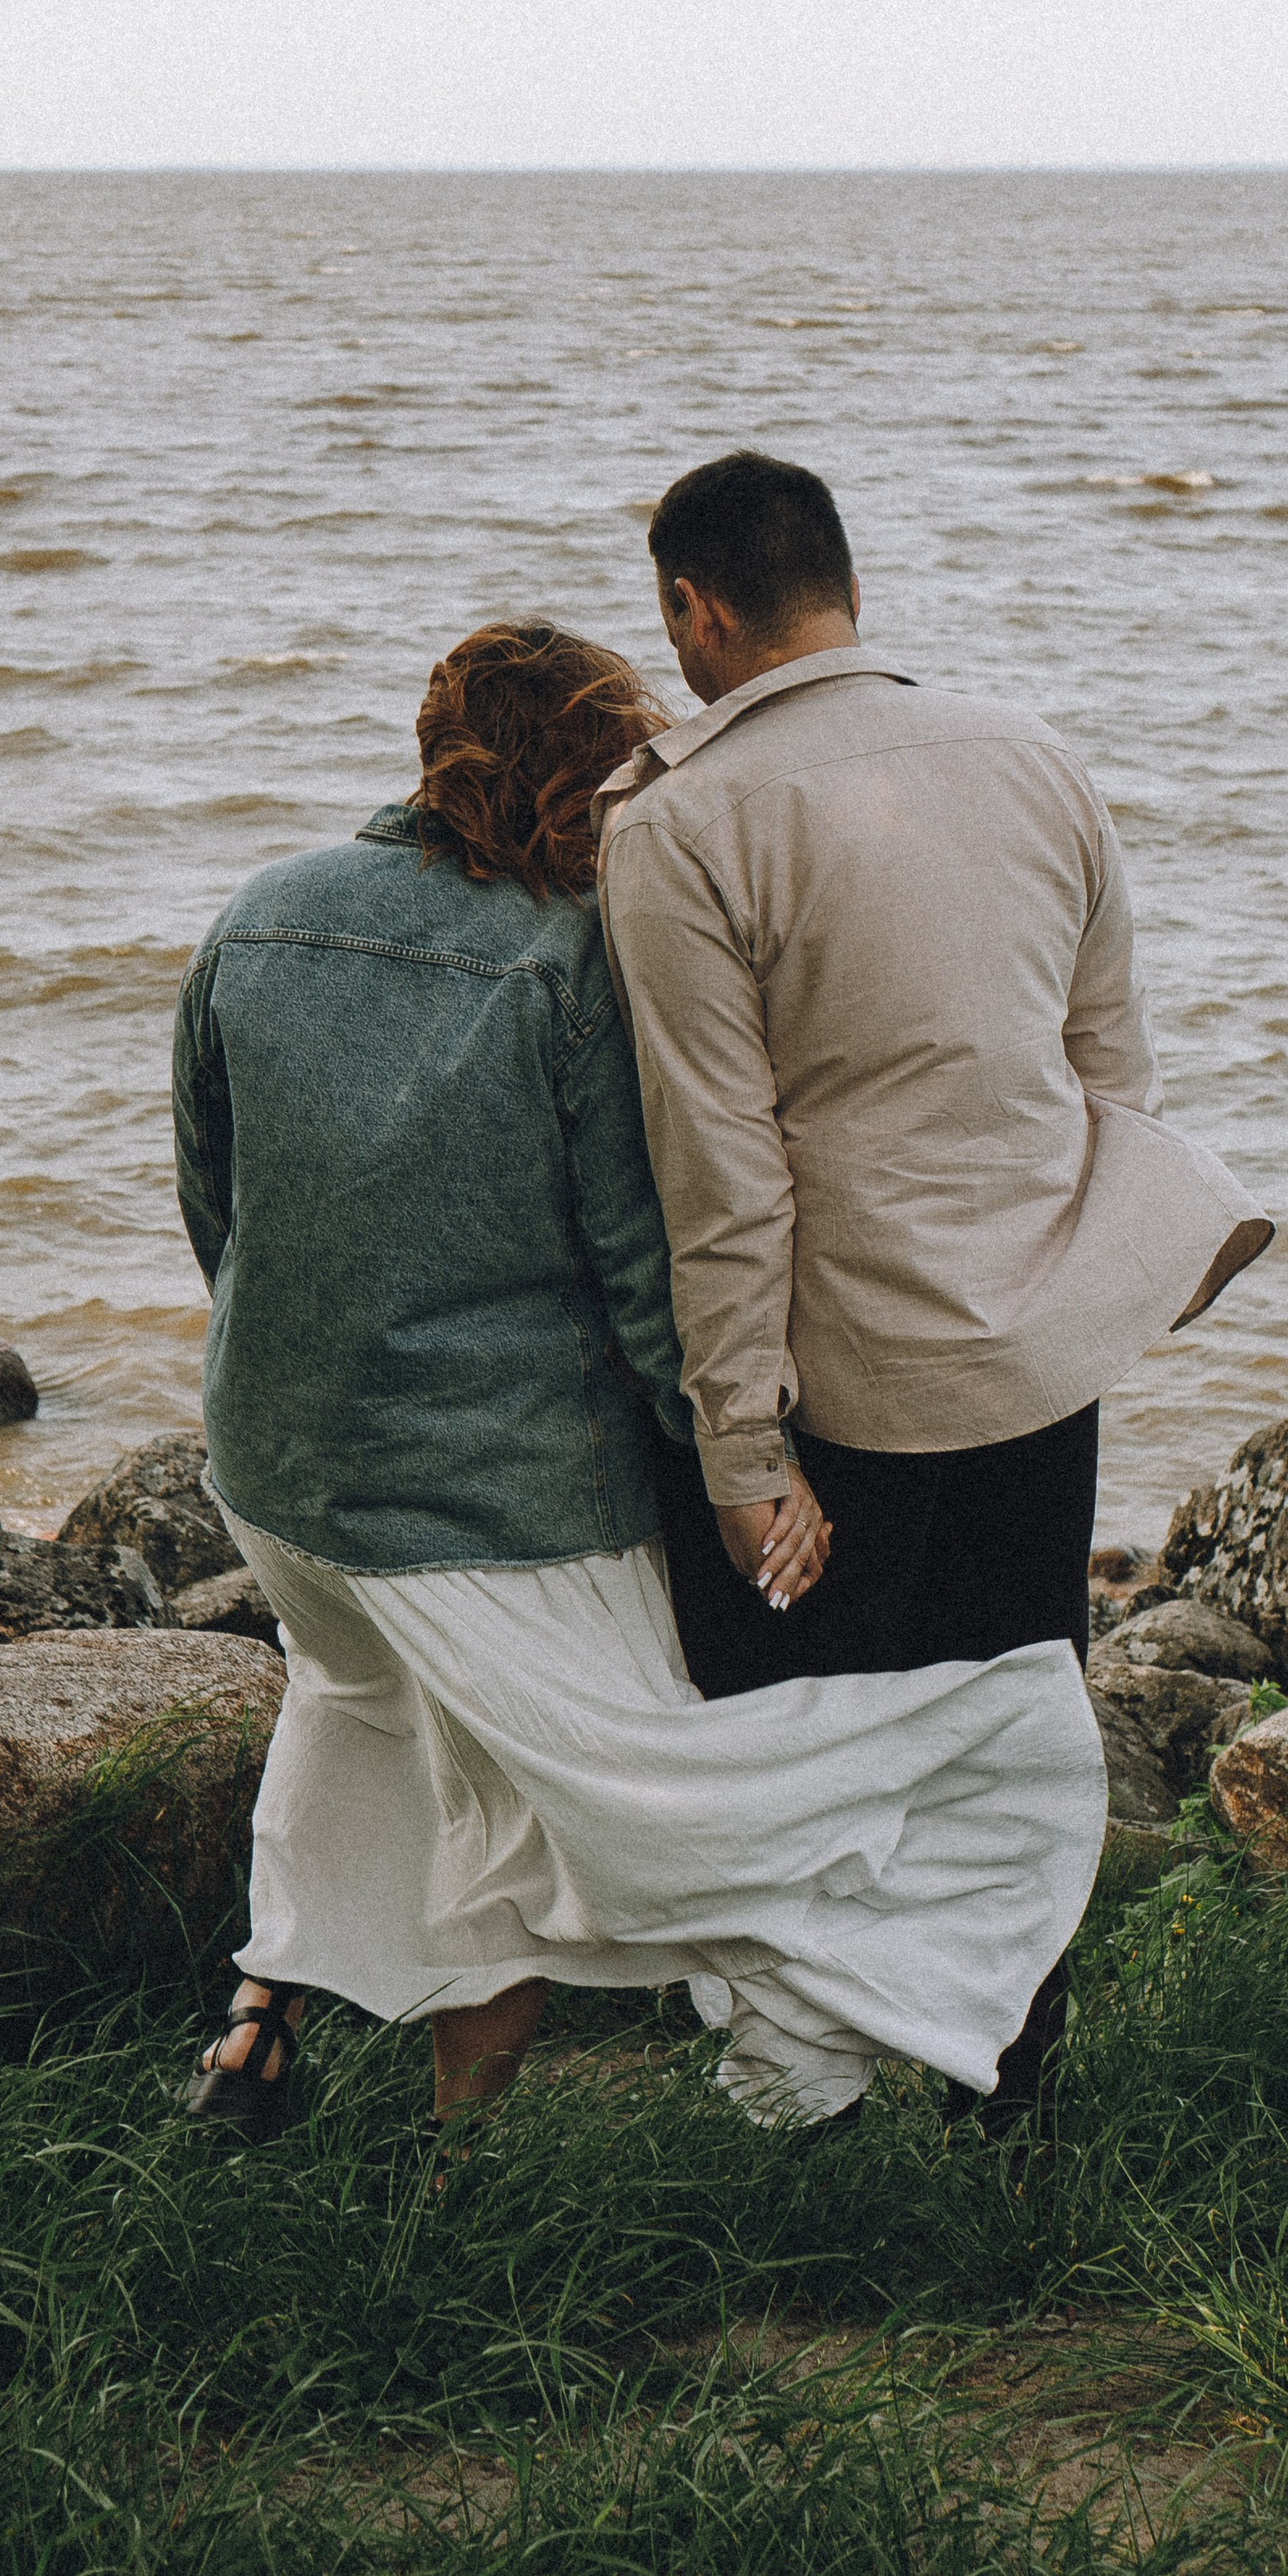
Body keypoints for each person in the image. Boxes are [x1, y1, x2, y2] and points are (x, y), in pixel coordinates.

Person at [172, 619, 1106, 2143]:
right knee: (671, 1796)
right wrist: (749, 1465)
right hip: (483, 1512)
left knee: (357, 1705)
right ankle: (819, 2061)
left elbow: (218, 1209)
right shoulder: (569, 961)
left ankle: (263, 2025)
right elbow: (641, 1260)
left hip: (275, 1481)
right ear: (591, 772)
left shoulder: (257, 916)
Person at [596, 451, 1271, 2107]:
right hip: (1035, 1368)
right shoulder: (1036, 761)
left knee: (795, 1754)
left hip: (844, 1393)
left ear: (692, 609)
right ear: (837, 581)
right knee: (1009, 1743)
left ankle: (808, 2118)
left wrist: (738, 1454)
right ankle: (1002, 2096)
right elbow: (1110, 1079)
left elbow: (721, 1168)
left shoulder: (677, 820)